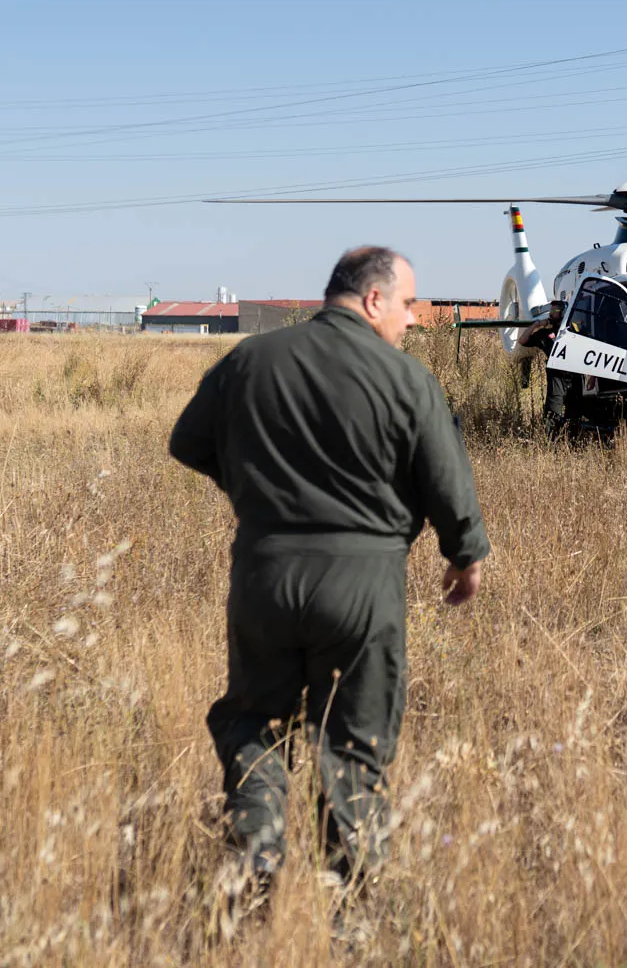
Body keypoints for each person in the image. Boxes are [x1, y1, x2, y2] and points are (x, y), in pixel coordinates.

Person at [168, 246, 488, 887]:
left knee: (255, 720)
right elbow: (447, 481)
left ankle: (257, 854)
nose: (413, 321)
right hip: (363, 582)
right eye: (406, 305)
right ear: (373, 299)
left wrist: (256, 497)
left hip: (264, 574)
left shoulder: (250, 360)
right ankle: (352, 907)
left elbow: (188, 441)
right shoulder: (406, 380)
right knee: (354, 744)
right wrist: (464, 556)